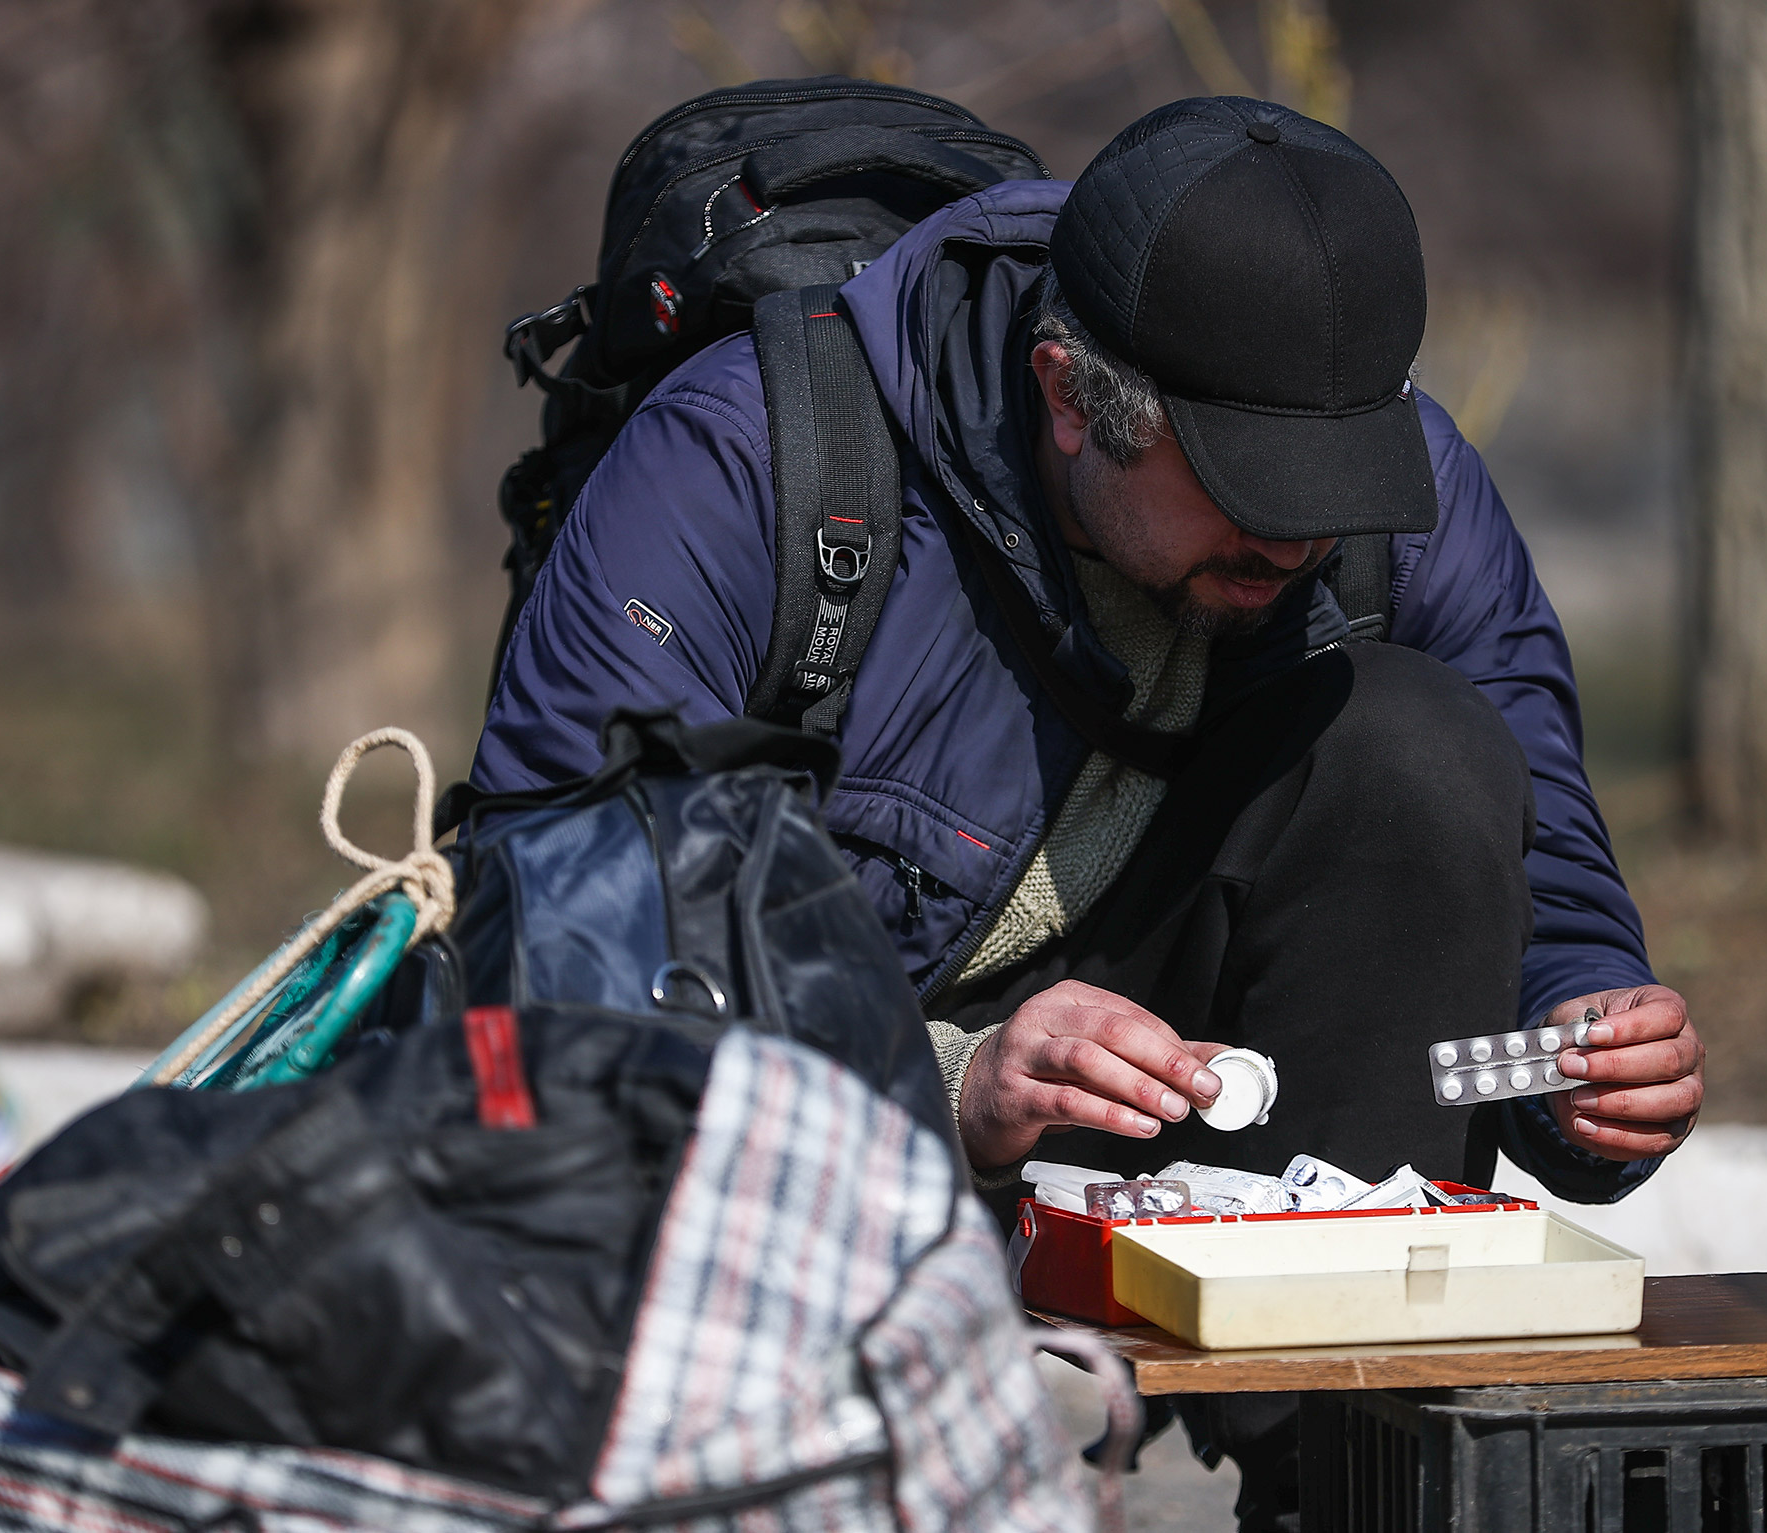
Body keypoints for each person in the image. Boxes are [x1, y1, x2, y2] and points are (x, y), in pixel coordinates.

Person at [473, 97, 1703, 1526]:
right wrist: (952, 1081)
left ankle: (1350, 1478)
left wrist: (1586, 1037)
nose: (1299, 538)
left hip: (1179, 1076)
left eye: (1334, 480)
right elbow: (570, 972)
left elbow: (1539, 846)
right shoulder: (738, 467)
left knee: (1422, 750)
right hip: (833, 1119)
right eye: (1247, 483)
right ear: (1067, 392)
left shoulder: (1384, 495)